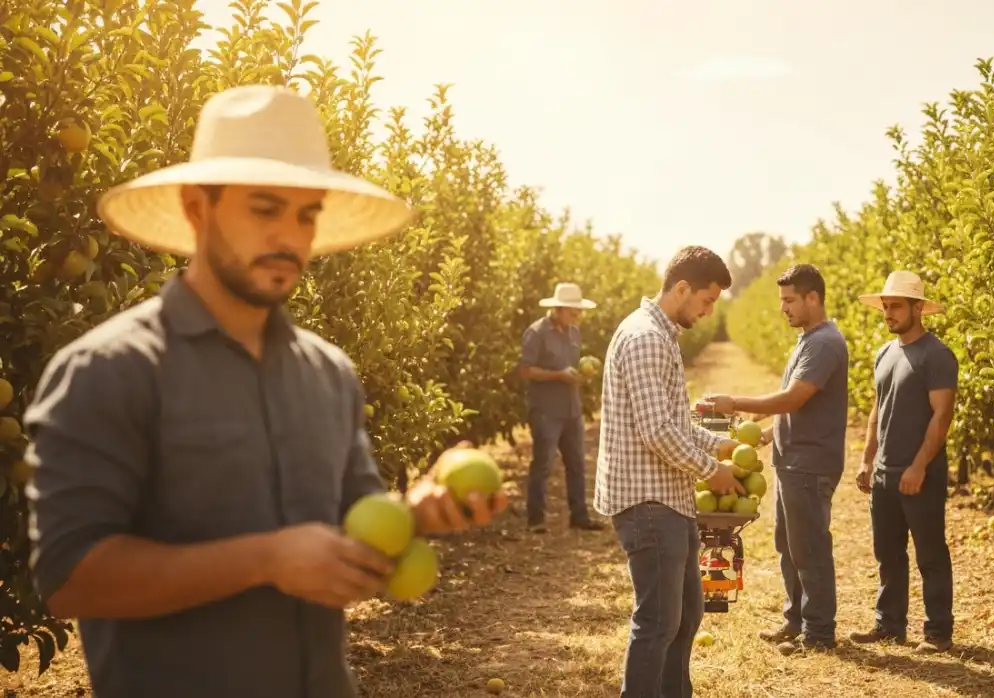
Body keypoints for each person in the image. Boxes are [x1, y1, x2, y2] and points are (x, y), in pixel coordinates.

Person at [21, 84, 508, 698]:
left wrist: (419, 513)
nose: (290, 237)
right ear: (198, 209)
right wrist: (266, 559)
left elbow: (355, 527)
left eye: (307, 215)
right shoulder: (110, 370)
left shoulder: (327, 374)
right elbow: (72, 579)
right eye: (265, 208)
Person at [593, 245, 747, 698]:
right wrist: (711, 469)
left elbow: (675, 423)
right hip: (648, 502)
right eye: (707, 300)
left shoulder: (661, 337)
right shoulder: (645, 339)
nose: (708, 311)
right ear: (682, 288)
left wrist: (723, 446)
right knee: (659, 620)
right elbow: (656, 431)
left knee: (686, 616)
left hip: (669, 498)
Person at [706, 263, 848, 654]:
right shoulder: (807, 340)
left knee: (810, 548)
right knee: (789, 544)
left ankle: (818, 633)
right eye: (781, 300)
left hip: (810, 464)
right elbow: (799, 408)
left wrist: (735, 402)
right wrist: (769, 434)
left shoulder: (824, 343)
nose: (783, 308)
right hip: (792, 460)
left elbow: (793, 398)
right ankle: (796, 620)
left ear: (812, 298)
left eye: (789, 300)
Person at [847, 270, 958, 653]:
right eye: (885, 306)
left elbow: (941, 416)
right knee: (888, 553)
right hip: (884, 473)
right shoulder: (884, 352)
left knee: (930, 553)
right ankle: (890, 625)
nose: (888, 313)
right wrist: (866, 460)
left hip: (919, 474)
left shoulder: (938, 355)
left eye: (896, 306)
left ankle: (938, 633)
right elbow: (878, 410)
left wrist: (919, 465)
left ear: (918, 309)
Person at [517, 281, 605, 533]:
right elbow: (525, 371)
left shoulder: (573, 333)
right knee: (543, 464)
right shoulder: (536, 333)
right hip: (546, 410)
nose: (577, 315)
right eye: (572, 311)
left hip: (571, 409)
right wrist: (558, 375)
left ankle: (579, 516)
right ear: (558, 309)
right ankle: (535, 519)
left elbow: (570, 369)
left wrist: (580, 377)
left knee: (576, 463)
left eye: (578, 311)